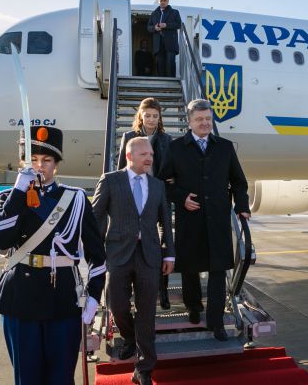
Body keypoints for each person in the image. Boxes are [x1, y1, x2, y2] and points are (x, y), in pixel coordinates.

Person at [0, 126, 106, 385]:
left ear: (56, 164)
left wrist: (93, 296)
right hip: (20, 298)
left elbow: (97, 254)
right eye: (33, 160)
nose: (40, 166)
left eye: (47, 160)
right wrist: (19, 193)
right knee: (27, 379)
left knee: (61, 378)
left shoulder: (75, 199)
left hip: (62, 298)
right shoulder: (9, 197)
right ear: (23, 163)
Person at [158, 99, 250, 342]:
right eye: (199, 119)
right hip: (190, 218)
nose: (205, 123)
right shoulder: (176, 148)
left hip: (218, 218)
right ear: (189, 121)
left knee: (218, 270)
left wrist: (242, 206)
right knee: (190, 268)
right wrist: (181, 197)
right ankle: (193, 306)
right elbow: (162, 181)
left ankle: (216, 321)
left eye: (208, 119)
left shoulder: (225, 147)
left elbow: (238, 181)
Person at [92, 136, 175, 385]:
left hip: (149, 255)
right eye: (144, 155)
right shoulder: (111, 180)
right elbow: (96, 217)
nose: (150, 158)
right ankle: (129, 338)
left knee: (147, 311)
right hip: (118, 253)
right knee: (117, 305)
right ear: (129, 156)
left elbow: (165, 222)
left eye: (151, 154)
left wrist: (169, 253)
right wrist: (95, 252)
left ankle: (144, 368)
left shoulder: (157, 186)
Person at [117, 97, 173, 309]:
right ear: (140, 116)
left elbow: (170, 168)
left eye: (155, 116)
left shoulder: (166, 140)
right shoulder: (129, 137)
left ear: (160, 118)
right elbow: (121, 167)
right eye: (147, 115)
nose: (151, 119)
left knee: (164, 241)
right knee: (135, 241)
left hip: (158, 195)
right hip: (135, 196)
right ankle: (133, 287)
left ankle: (163, 291)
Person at [147, 0, 181, 77]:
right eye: (161, 0)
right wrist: (154, 28)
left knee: (170, 62)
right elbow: (148, 27)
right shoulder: (154, 13)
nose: (163, 2)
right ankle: (161, 81)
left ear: (168, 1)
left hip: (170, 42)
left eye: (165, 0)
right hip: (158, 42)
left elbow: (179, 25)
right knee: (159, 63)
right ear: (158, 1)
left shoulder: (175, 12)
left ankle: (171, 81)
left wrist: (166, 25)